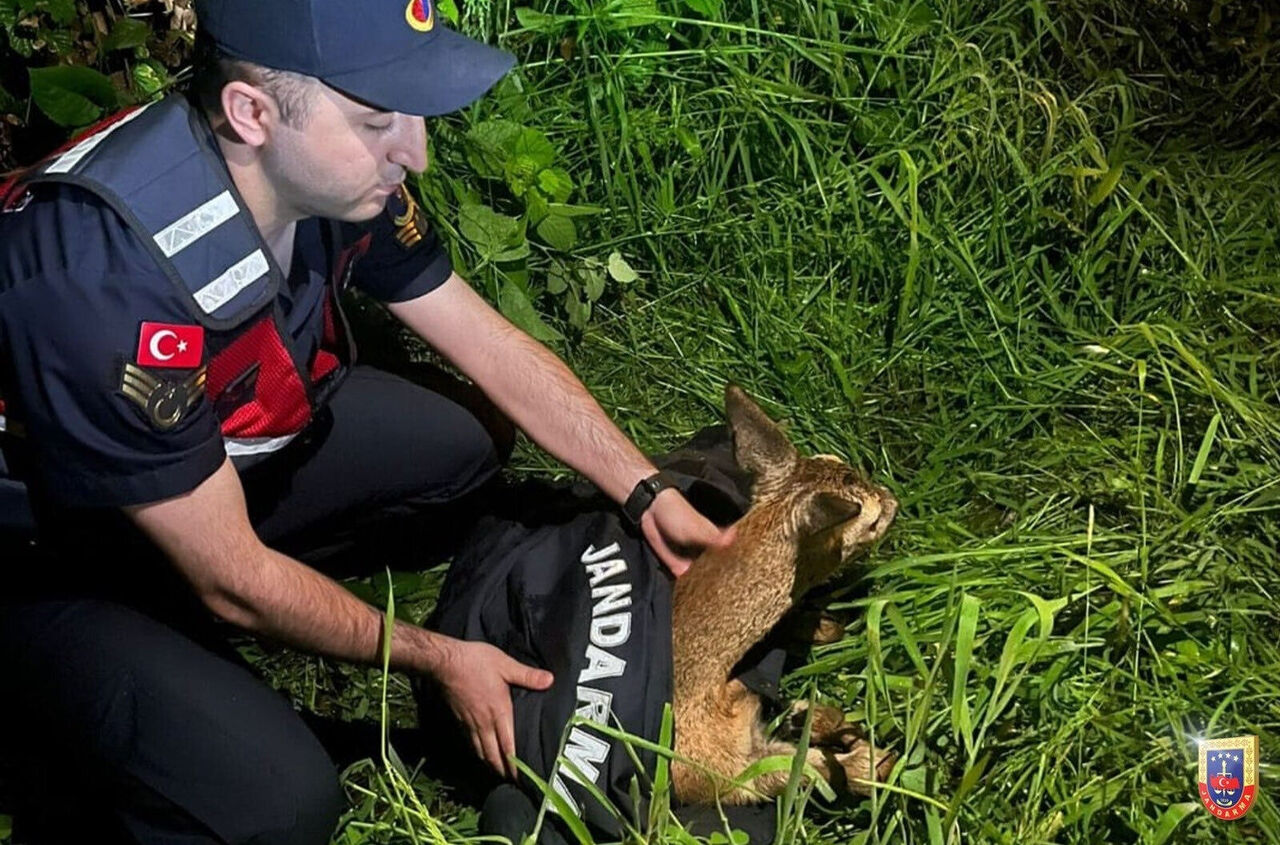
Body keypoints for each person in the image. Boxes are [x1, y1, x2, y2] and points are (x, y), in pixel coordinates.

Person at [0, 0, 734, 841]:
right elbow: (232, 577)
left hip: (182, 470)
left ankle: (194, 608)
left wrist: (644, 488)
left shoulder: (326, 177)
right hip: (45, 555)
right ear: (252, 112)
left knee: (461, 444)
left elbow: (487, 343)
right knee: (284, 805)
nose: (414, 152)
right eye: (377, 119)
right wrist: (436, 654)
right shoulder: (107, 286)